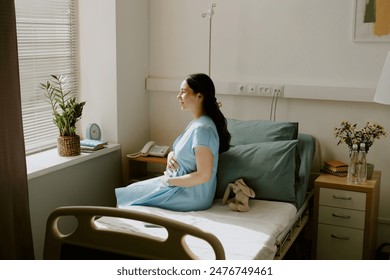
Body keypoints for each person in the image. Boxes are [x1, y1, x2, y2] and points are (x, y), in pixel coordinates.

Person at [115, 73, 231, 211]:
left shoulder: (203, 129)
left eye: (183, 92)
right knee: (130, 191)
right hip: (179, 186)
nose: (178, 96)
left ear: (199, 96)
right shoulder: (197, 123)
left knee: (129, 198)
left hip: (191, 194)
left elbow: (204, 175)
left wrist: (169, 181)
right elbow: (185, 151)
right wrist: (171, 155)